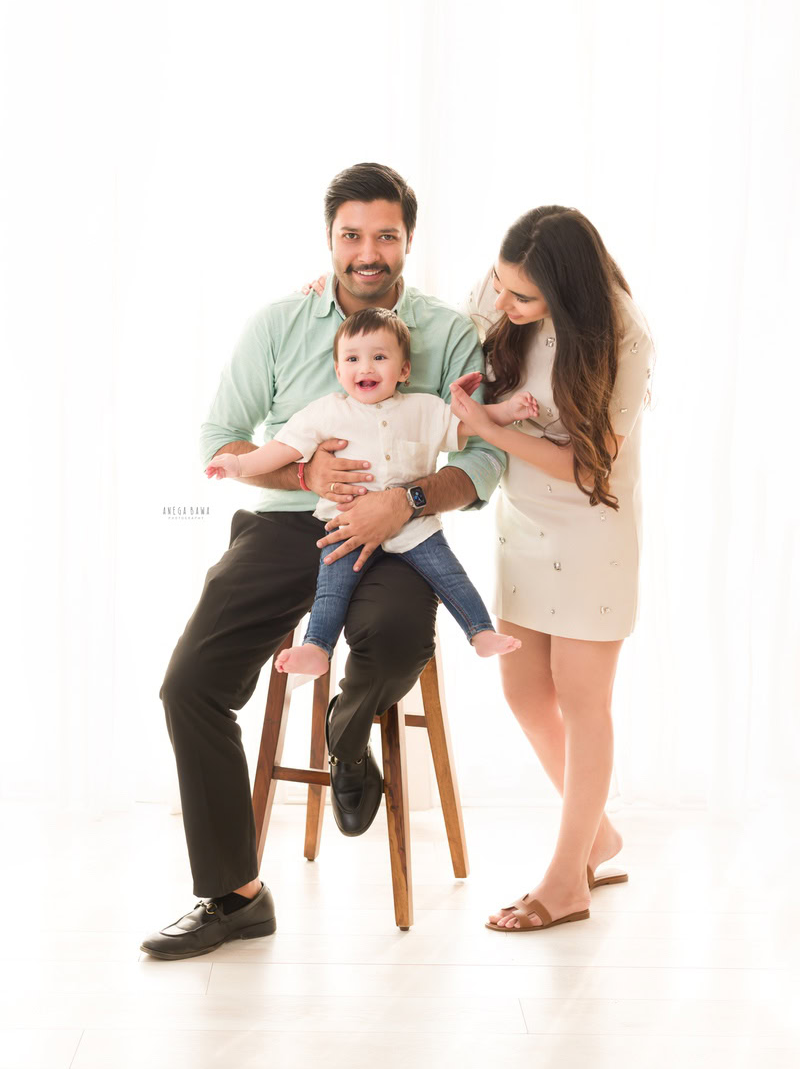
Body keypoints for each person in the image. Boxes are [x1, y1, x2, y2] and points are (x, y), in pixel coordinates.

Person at [139, 163, 507, 960]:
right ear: (330, 239)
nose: (367, 252)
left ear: (410, 239)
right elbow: (221, 442)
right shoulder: (278, 323)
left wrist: (404, 502)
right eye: (352, 235)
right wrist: (303, 474)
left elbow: (482, 462)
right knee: (190, 684)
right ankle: (234, 895)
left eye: (385, 235)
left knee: (396, 639)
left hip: (400, 537)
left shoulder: (445, 334)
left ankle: (345, 735)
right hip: (285, 526)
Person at [452, 205, 654, 932]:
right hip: (523, 523)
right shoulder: (508, 286)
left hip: (591, 526)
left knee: (581, 698)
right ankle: (596, 835)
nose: (500, 306)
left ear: (567, 295)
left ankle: (568, 877)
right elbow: (449, 323)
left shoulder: (623, 337)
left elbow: (589, 462)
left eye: (521, 299)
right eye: (501, 288)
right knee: (522, 689)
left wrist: (483, 426)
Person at [206, 306, 535, 672]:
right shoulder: (324, 413)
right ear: (338, 370)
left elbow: (474, 424)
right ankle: (317, 648)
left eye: (379, 357)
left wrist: (509, 410)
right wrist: (238, 465)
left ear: (404, 370)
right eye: (352, 359)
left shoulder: (425, 409)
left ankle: (480, 633)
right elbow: (278, 451)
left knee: (450, 574)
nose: (365, 368)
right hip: (347, 525)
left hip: (413, 526)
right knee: (333, 584)